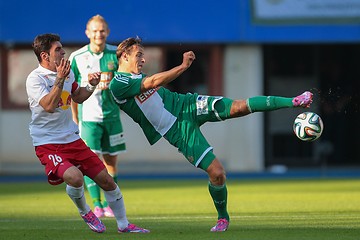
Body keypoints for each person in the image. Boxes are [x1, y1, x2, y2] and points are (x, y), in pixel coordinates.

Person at [109, 37, 313, 232]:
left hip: (187, 104)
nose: (143, 59)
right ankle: (223, 217)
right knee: (217, 173)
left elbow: (152, 84)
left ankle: (293, 101)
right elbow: (153, 82)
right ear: (125, 56)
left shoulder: (136, 76)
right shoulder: (118, 84)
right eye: (139, 55)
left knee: (239, 107)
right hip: (178, 130)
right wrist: (182, 67)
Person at [26, 33, 149, 234]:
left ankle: (124, 225)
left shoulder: (66, 73)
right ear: (44, 56)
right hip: (47, 143)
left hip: (72, 139)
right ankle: (86, 212)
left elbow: (78, 96)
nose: (63, 52)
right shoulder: (35, 79)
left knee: (107, 180)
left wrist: (91, 85)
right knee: (75, 177)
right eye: (57, 49)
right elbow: (48, 105)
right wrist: (59, 79)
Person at [69, 14, 126, 218]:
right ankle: (98, 204)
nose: (98, 34)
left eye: (102, 30)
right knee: (90, 161)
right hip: (89, 119)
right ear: (87, 33)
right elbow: (73, 91)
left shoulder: (117, 54)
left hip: (112, 118)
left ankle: (112, 204)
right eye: (94, 30)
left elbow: (125, 83)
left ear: (107, 32)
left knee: (111, 162)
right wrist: (75, 118)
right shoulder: (77, 57)